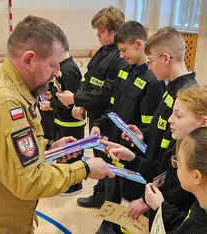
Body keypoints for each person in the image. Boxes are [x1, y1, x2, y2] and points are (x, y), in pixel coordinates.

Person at [0, 15, 114, 234]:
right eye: (52, 64)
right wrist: (85, 168)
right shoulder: (3, 103)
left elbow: (3, 154)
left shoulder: (8, 88)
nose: (57, 72)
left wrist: (48, 148)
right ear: (29, 59)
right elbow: (28, 181)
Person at [101, 26, 198, 222]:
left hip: (161, 193)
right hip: (148, 175)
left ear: (166, 58)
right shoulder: (170, 88)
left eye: (151, 61)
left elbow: (177, 163)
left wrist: (148, 200)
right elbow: (161, 134)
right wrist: (144, 134)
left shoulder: (188, 97)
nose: (149, 67)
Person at [91, 20, 164, 234]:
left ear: (138, 45)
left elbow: (149, 131)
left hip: (131, 156)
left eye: (124, 50)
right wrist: (98, 125)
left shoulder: (153, 81)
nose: (121, 55)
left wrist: (134, 144)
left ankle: (117, 228)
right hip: (113, 147)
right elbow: (112, 107)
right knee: (111, 188)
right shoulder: (124, 70)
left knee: (127, 198)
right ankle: (108, 224)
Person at [57, 6, 129, 209]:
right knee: (99, 154)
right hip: (94, 114)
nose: (98, 36)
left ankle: (108, 200)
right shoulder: (103, 51)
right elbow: (91, 80)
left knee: (108, 158)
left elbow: (107, 93)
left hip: (106, 117)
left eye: (101, 32)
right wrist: (81, 103)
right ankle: (101, 193)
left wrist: (76, 99)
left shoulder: (118, 57)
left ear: (114, 31)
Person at [141, 85, 207, 232]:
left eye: (178, 115)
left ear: (203, 122)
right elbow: (162, 174)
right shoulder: (179, 141)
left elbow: (195, 225)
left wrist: (162, 208)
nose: (170, 119)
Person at [40, 49, 86, 195]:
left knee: (73, 152)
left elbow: (72, 100)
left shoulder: (69, 70)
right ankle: (67, 182)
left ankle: (75, 185)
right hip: (61, 119)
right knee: (65, 154)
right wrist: (51, 96)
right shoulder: (62, 67)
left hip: (72, 122)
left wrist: (52, 105)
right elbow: (60, 92)